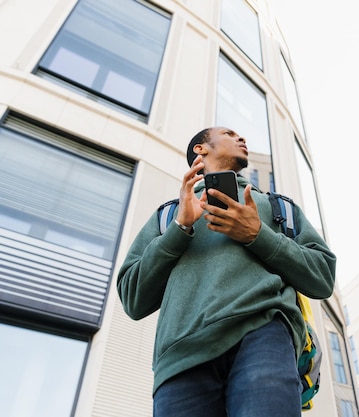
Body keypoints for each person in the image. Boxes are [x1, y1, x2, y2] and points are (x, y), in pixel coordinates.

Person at [117, 127, 336, 417]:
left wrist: (257, 234)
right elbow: (133, 299)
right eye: (229, 133)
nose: (242, 138)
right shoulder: (168, 216)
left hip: (265, 334)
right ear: (200, 149)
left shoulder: (278, 207)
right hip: (181, 357)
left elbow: (323, 278)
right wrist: (180, 229)